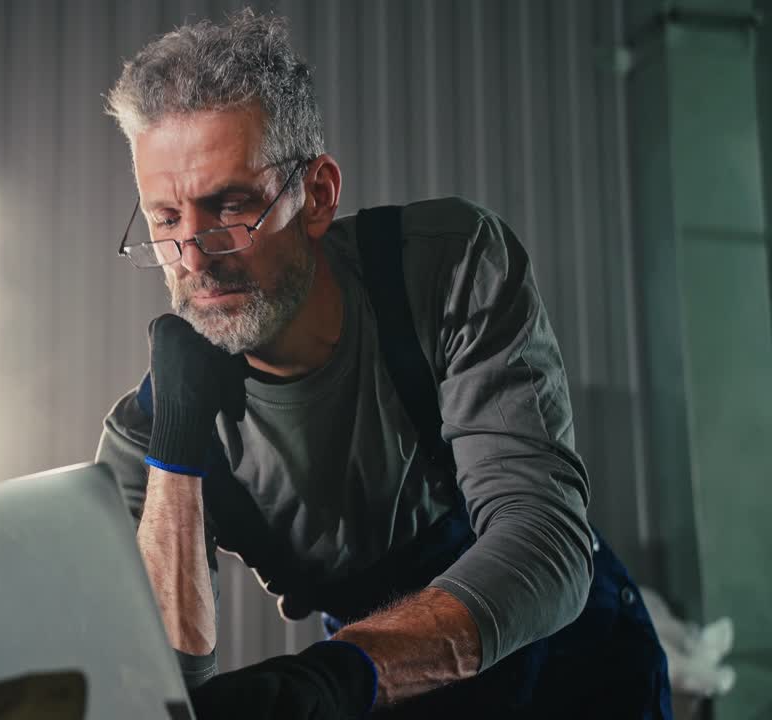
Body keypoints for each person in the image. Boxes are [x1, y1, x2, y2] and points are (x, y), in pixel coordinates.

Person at [95, 9, 671, 719]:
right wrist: (176, 451)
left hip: (577, 671)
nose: (193, 256)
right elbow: (163, 675)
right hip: (396, 691)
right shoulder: (145, 439)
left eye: (231, 205)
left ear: (317, 196)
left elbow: (543, 542)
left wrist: (335, 677)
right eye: (165, 219)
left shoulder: (443, 268)